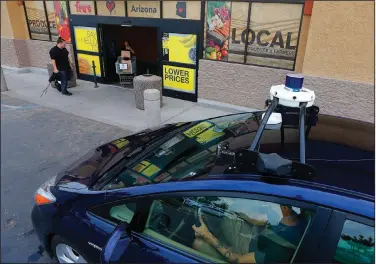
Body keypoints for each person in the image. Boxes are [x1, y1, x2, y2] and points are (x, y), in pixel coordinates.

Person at [192, 205, 307, 263]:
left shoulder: (279, 251)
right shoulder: (299, 219)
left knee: (198, 243)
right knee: (231, 212)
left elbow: (239, 260)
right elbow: (267, 222)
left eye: (273, 204)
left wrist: (209, 237)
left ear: (285, 208)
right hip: (258, 236)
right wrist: (252, 218)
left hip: (248, 251)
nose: (270, 206)